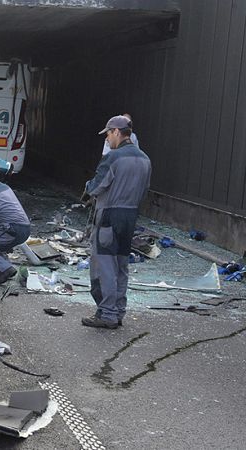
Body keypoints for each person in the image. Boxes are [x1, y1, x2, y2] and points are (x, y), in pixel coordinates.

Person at [83, 115, 151, 329]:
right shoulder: (145, 159)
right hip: (130, 216)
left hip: (109, 215)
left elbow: (96, 186)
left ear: (116, 132)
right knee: (121, 265)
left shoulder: (113, 157)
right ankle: (119, 311)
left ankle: (107, 314)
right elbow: (145, 189)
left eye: (108, 135)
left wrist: (87, 188)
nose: (107, 140)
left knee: (104, 265)